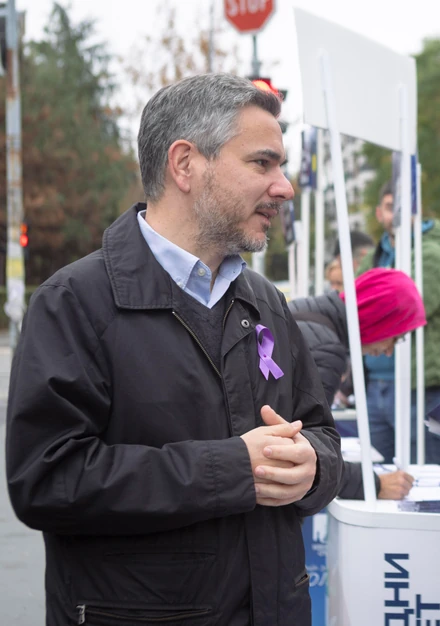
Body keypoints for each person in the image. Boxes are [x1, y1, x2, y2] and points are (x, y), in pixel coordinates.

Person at [5, 74, 342, 625]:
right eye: (262, 163)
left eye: (281, 166)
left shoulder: (266, 302)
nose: (284, 187)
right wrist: (231, 468)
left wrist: (314, 466)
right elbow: (47, 481)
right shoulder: (74, 303)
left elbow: (321, 432)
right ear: (185, 164)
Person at [289, 268, 425, 500]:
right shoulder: (327, 349)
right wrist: (373, 484)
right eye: (395, 337)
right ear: (380, 320)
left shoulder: (305, 311)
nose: (389, 351)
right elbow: (303, 452)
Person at [358, 180, 440, 465]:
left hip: (419, 388)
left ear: (418, 212)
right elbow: (352, 306)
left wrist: (374, 305)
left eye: (406, 208)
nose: (399, 215)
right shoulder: (375, 256)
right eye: (391, 207)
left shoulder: (431, 254)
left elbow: (407, 310)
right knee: (378, 478)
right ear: (380, 213)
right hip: (374, 384)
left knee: (421, 477)